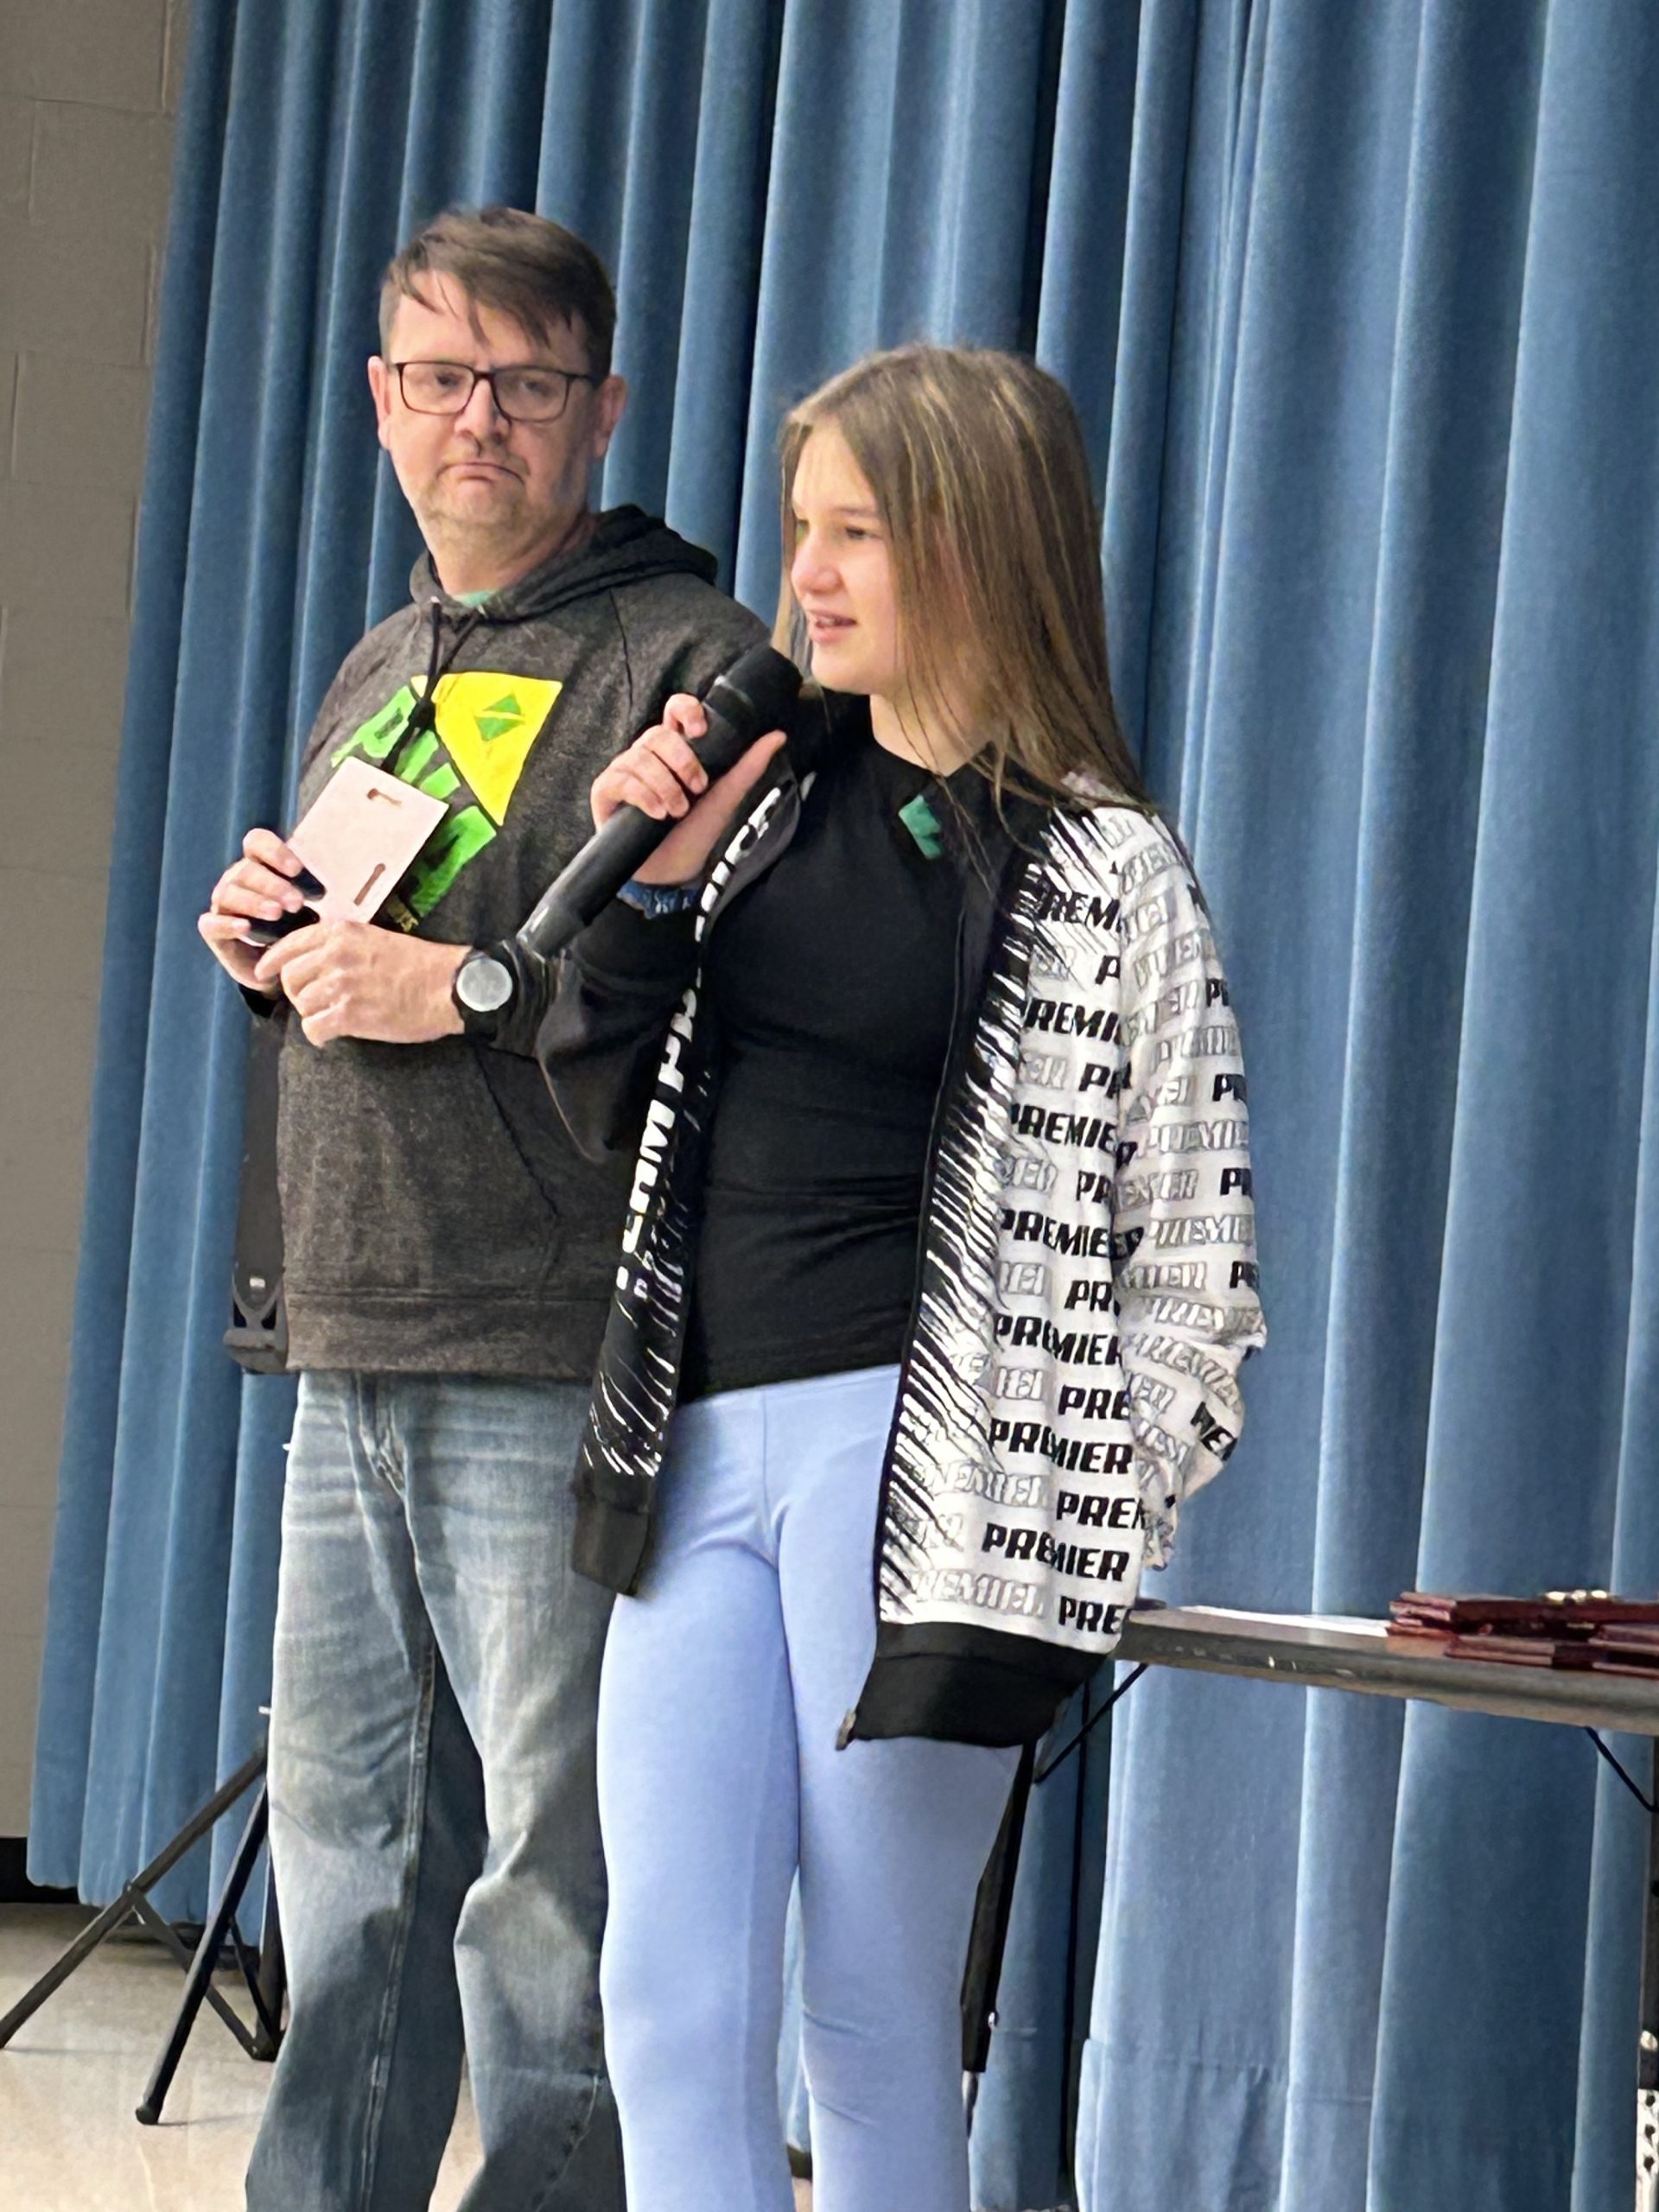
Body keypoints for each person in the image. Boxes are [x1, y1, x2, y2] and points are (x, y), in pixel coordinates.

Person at [534, 343, 1268, 2212]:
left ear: (976, 543)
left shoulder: (1106, 868)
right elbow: (607, 1103)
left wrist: (1076, 1510)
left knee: (867, 2024)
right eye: (804, 527)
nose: (808, 575)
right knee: (666, 2005)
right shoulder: (764, 797)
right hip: (694, 1448)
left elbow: (1196, 1258)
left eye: (855, 530)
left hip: (926, 1490)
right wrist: (649, 890)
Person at [197, 206, 766, 2211]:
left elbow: (719, 996)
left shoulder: (691, 659)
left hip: (547, 1342)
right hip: (350, 1330)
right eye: (444, 379)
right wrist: (267, 940)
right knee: (347, 1868)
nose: (482, 423)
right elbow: (374, 949)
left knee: (550, 1883)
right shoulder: (380, 661)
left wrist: (461, 987)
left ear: (605, 407)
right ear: (381, 400)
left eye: (528, 385)